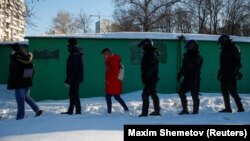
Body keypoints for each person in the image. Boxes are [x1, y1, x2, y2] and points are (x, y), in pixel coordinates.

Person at [7, 43, 43, 120]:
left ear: (14, 50)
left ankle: (20, 118)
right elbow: (32, 70)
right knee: (26, 97)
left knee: (20, 101)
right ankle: (37, 110)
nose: (11, 51)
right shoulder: (26, 56)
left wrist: (13, 83)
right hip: (27, 82)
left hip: (19, 83)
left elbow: (14, 72)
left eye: (12, 50)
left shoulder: (16, 58)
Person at [217, 35, 244, 113]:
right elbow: (223, 64)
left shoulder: (234, 48)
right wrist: (219, 72)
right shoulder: (224, 50)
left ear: (225, 41)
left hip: (231, 74)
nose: (221, 44)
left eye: (221, 42)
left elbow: (237, 62)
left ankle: (240, 108)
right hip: (224, 74)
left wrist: (236, 72)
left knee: (233, 91)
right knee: (224, 91)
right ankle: (228, 108)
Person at [177, 40, 203, 115]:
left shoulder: (198, 56)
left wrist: (188, 67)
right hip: (187, 78)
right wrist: (180, 74)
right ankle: (185, 110)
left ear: (193, 47)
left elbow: (194, 66)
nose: (187, 48)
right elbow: (184, 66)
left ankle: (195, 111)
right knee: (181, 92)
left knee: (194, 95)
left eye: (189, 47)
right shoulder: (186, 55)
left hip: (194, 79)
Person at [101, 48, 129, 114]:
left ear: (108, 53)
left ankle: (109, 112)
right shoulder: (111, 61)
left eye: (104, 55)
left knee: (108, 96)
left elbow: (115, 73)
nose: (103, 57)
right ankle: (126, 109)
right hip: (113, 82)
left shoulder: (113, 61)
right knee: (116, 97)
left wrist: (109, 80)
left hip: (114, 82)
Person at [137, 38, 160, 117]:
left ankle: (145, 113)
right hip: (151, 78)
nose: (143, 47)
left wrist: (146, 76)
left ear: (147, 45)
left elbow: (152, 67)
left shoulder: (151, 53)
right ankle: (157, 111)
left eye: (144, 45)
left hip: (151, 78)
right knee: (153, 94)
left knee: (145, 95)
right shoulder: (149, 53)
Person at [61, 38, 84, 115]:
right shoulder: (76, 52)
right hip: (76, 77)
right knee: (74, 94)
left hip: (74, 78)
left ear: (70, 44)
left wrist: (68, 80)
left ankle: (77, 111)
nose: (67, 45)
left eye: (68, 44)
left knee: (74, 94)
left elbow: (72, 68)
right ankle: (73, 110)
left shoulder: (74, 53)